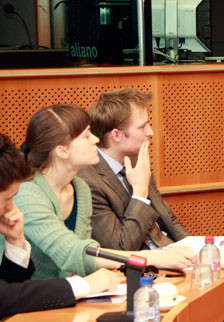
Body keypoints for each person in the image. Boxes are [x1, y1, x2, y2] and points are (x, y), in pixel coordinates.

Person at [14, 104, 196, 280]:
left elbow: (87, 254)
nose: (95, 139)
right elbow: (73, 253)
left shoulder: (79, 188)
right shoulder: (27, 194)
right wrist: (155, 258)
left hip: (73, 293)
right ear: (62, 151)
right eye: (86, 136)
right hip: (32, 300)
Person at [0, 133, 120, 318]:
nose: (11, 207)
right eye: (7, 198)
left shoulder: (81, 188)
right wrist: (85, 285)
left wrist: (15, 242)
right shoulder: (33, 193)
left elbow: (9, 288)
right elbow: (5, 297)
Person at [78, 88, 188, 250]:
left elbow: (168, 219)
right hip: (140, 267)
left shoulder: (137, 160)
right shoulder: (88, 181)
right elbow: (120, 248)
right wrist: (140, 193)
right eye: (143, 126)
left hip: (171, 252)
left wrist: (196, 252)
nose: (150, 132)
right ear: (117, 135)